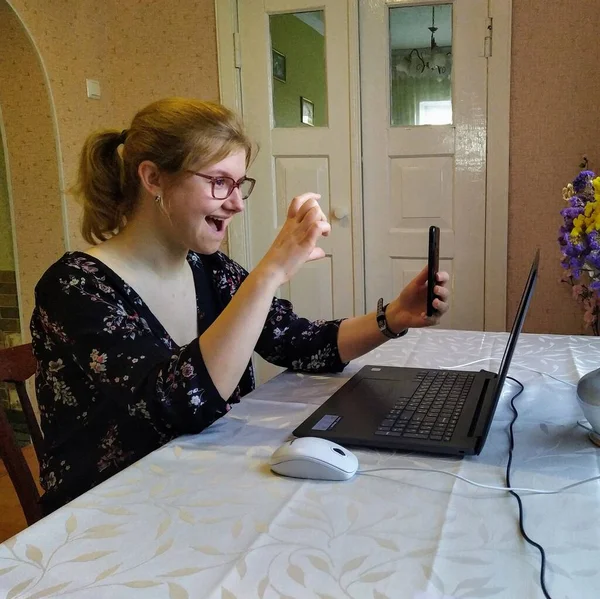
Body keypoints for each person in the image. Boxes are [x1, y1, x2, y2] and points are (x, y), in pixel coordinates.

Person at [31, 97, 450, 512]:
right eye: (219, 182)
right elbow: (178, 406)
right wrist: (268, 274)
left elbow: (298, 343)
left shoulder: (209, 267)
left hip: (204, 486)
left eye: (239, 184)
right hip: (108, 513)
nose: (236, 203)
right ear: (154, 178)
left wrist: (393, 317)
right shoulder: (75, 287)